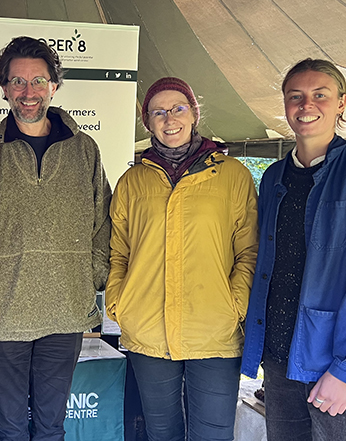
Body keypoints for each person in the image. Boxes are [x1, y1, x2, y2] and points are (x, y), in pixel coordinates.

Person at [240, 58, 346, 440]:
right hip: (281, 358)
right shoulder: (272, 178)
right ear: (285, 106)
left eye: (320, 95)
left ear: (341, 104)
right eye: (295, 96)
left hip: (337, 367)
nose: (307, 105)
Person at [0, 36, 111, 441]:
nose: (28, 93)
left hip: (66, 313)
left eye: (38, 81)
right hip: (3, 315)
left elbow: (102, 224)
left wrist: (89, 278)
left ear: (54, 86)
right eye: (18, 82)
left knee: (50, 426)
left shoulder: (85, 150)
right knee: (8, 427)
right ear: (3, 88)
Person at [106, 77, 258, 440]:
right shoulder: (133, 181)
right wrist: (120, 302)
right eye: (158, 112)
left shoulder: (232, 175)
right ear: (148, 122)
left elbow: (249, 249)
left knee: (214, 433)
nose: (169, 118)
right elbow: (119, 250)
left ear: (194, 113)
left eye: (178, 108)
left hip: (214, 330)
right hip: (147, 327)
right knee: (161, 432)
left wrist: (233, 305)